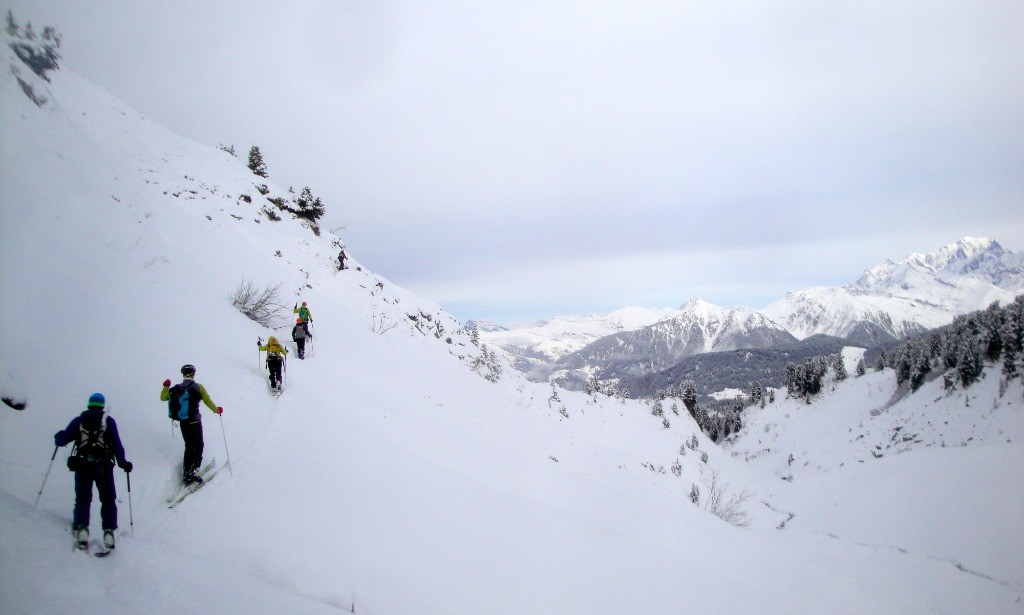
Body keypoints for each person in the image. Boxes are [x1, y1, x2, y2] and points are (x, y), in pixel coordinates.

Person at [54, 393, 132, 550]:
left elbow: (62, 440)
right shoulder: (108, 422)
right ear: (102, 406)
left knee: (83, 499)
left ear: (89, 405)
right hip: (104, 467)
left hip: (82, 465)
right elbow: (117, 445)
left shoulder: (79, 421)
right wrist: (123, 463)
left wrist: (59, 436)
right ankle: (108, 532)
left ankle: (82, 528)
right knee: (108, 499)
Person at [161, 364, 222, 485]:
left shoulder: (176, 388)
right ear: (193, 374)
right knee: (199, 444)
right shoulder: (198, 387)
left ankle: (186, 473)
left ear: (183, 374)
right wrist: (217, 410)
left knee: (189, 446)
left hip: (183, 422)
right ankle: (194, 471)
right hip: (195, 421)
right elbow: (207, 401)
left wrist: (166, 386)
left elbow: (163, 397)